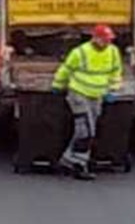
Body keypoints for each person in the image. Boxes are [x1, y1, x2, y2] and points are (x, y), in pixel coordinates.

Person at [51, 24, 123, 180]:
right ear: (95, 38)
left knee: (89, 130)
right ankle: (79, 165)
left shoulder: (113, 52)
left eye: (109, 40)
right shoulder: (80, 52)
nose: (107, 42)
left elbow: (115, 72)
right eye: (104, 39)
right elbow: (66, 69)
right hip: (78, 93)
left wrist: (113, 90)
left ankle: (67, 160)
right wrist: (58, 85)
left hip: (97, 96)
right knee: (86, 131)